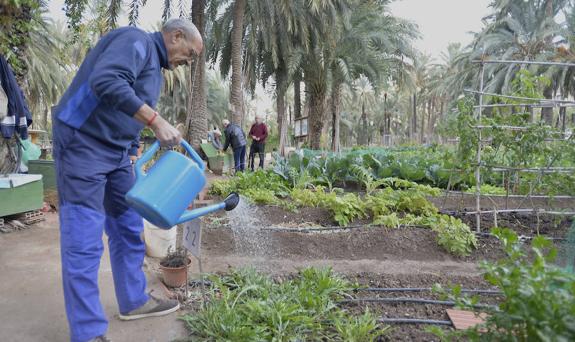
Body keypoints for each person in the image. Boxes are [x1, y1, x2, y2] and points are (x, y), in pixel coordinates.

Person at [52, 18, 203, 342]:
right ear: (176, 36)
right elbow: (106, 81)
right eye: (189, 54)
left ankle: (133, 301)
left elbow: (126, 111)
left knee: (129, 227)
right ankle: (88, 331)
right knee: (84, 237)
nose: (187, 62)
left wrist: (133, 148)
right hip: (83, 144)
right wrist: (155, 120)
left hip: (117, 154)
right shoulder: (135, 42)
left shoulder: (154, 71)